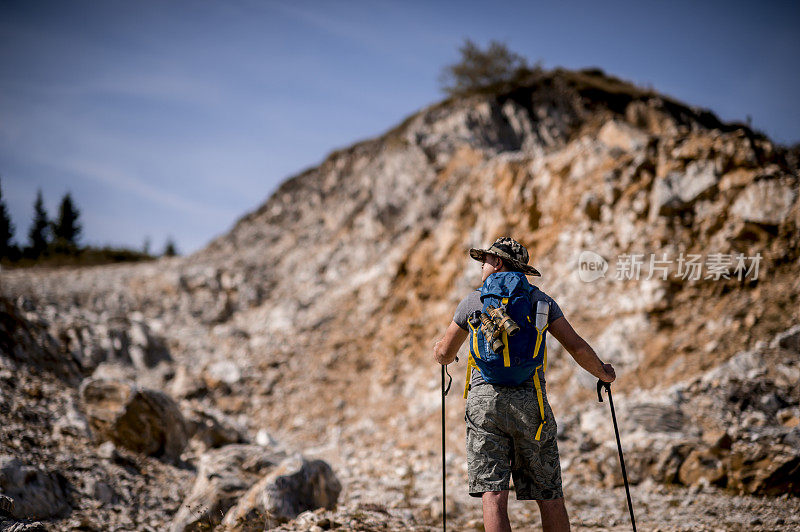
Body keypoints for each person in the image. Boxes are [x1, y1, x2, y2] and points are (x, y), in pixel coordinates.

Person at [433, 237, 616, 532]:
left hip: (485, 405)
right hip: (531, 404)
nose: (482, 265)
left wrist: (438, 350)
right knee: (549, 494)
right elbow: (577, 348)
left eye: (487, 259)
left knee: (493, 495)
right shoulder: (539, 301)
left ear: (499, 262)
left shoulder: (474, 301)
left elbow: (444, 354)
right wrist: (603, 373)